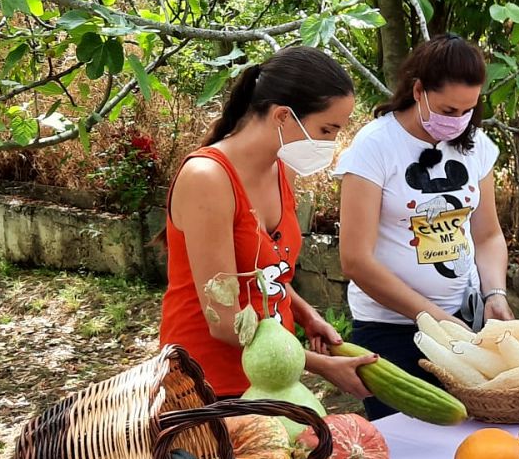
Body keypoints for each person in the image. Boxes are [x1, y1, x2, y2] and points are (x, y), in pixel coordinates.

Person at [159, 46, 376, 399]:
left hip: (273, 377)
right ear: (282, 117)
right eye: (326, 129)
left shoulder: (281, 169)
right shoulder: (207, 178)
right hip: (209, 386)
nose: (331, 143)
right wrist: (321, 366)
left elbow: (268, 273)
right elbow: (224, 320)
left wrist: (306, 316)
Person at [334, 34, 514, 419]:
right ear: (418, 91)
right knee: (406, 451)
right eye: (449, 110)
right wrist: (431, 318)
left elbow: (488, 235)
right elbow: (355, 260)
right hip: (390, 329)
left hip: (462, 322)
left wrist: (494, 292)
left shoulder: (476, 145)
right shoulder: (374, 147)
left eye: (469, 109)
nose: (459, 121)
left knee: (466, 439)